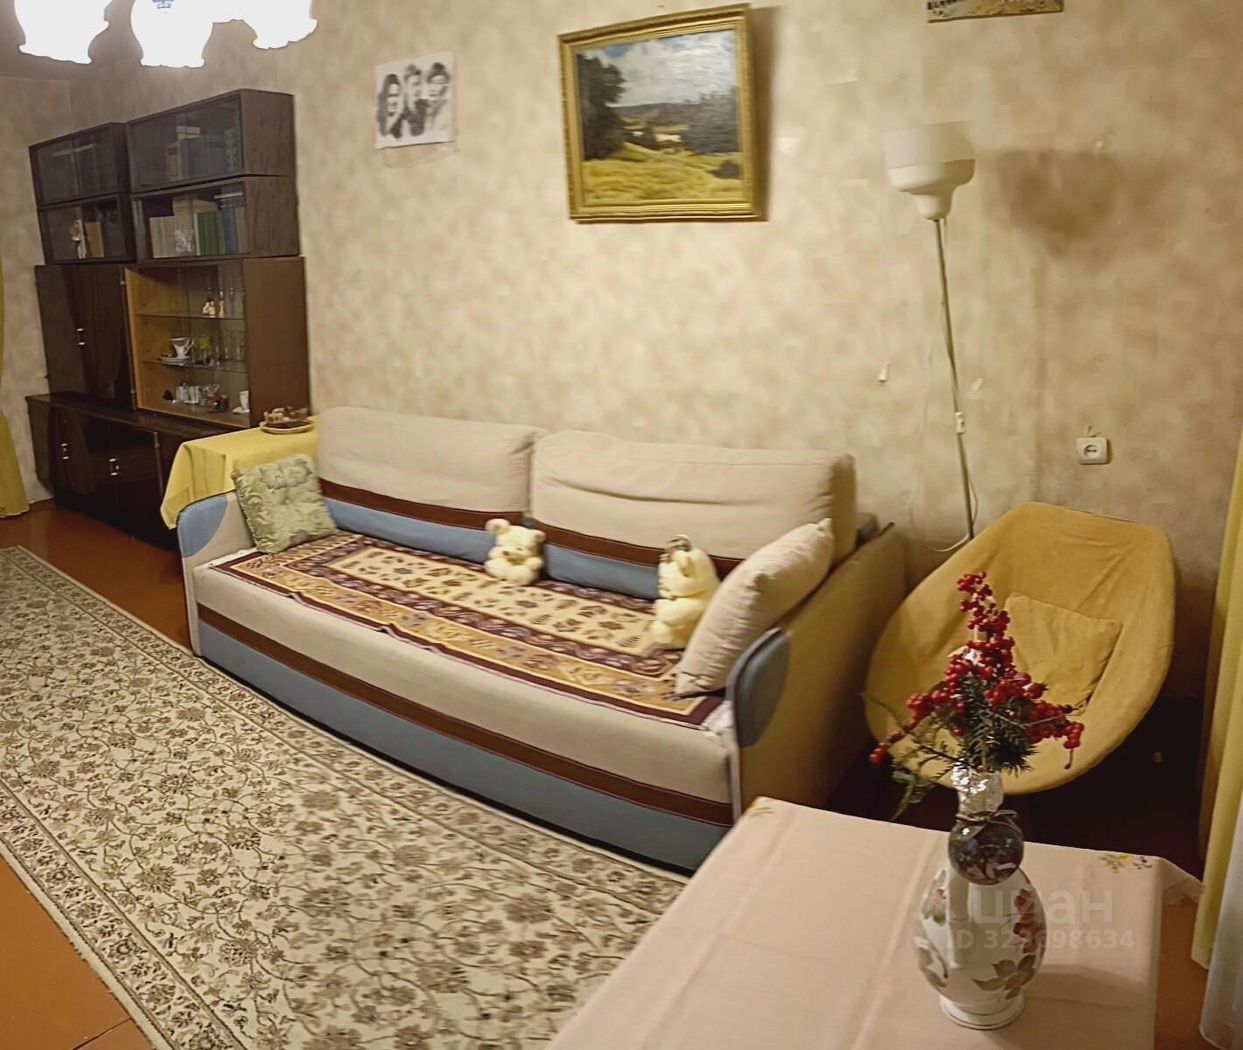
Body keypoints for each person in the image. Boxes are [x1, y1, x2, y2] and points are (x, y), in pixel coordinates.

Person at [423, 62, 452, 137]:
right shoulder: (424, 108)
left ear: (445, 87)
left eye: (438, 83)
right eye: (431, 82)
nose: (433, 88)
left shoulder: (447, 109)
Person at [376, 73, 404, 141]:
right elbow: (383, 135)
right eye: (390, 95)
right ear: (384, 96)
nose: (394, 101)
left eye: (396, 95)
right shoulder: (377, 118)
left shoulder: (400, 120)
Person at [404, 64, 428, 138]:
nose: (418, 89)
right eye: (414, 84)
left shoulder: (426, 106)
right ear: (405, 87)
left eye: (419, 84)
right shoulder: (400, 110)